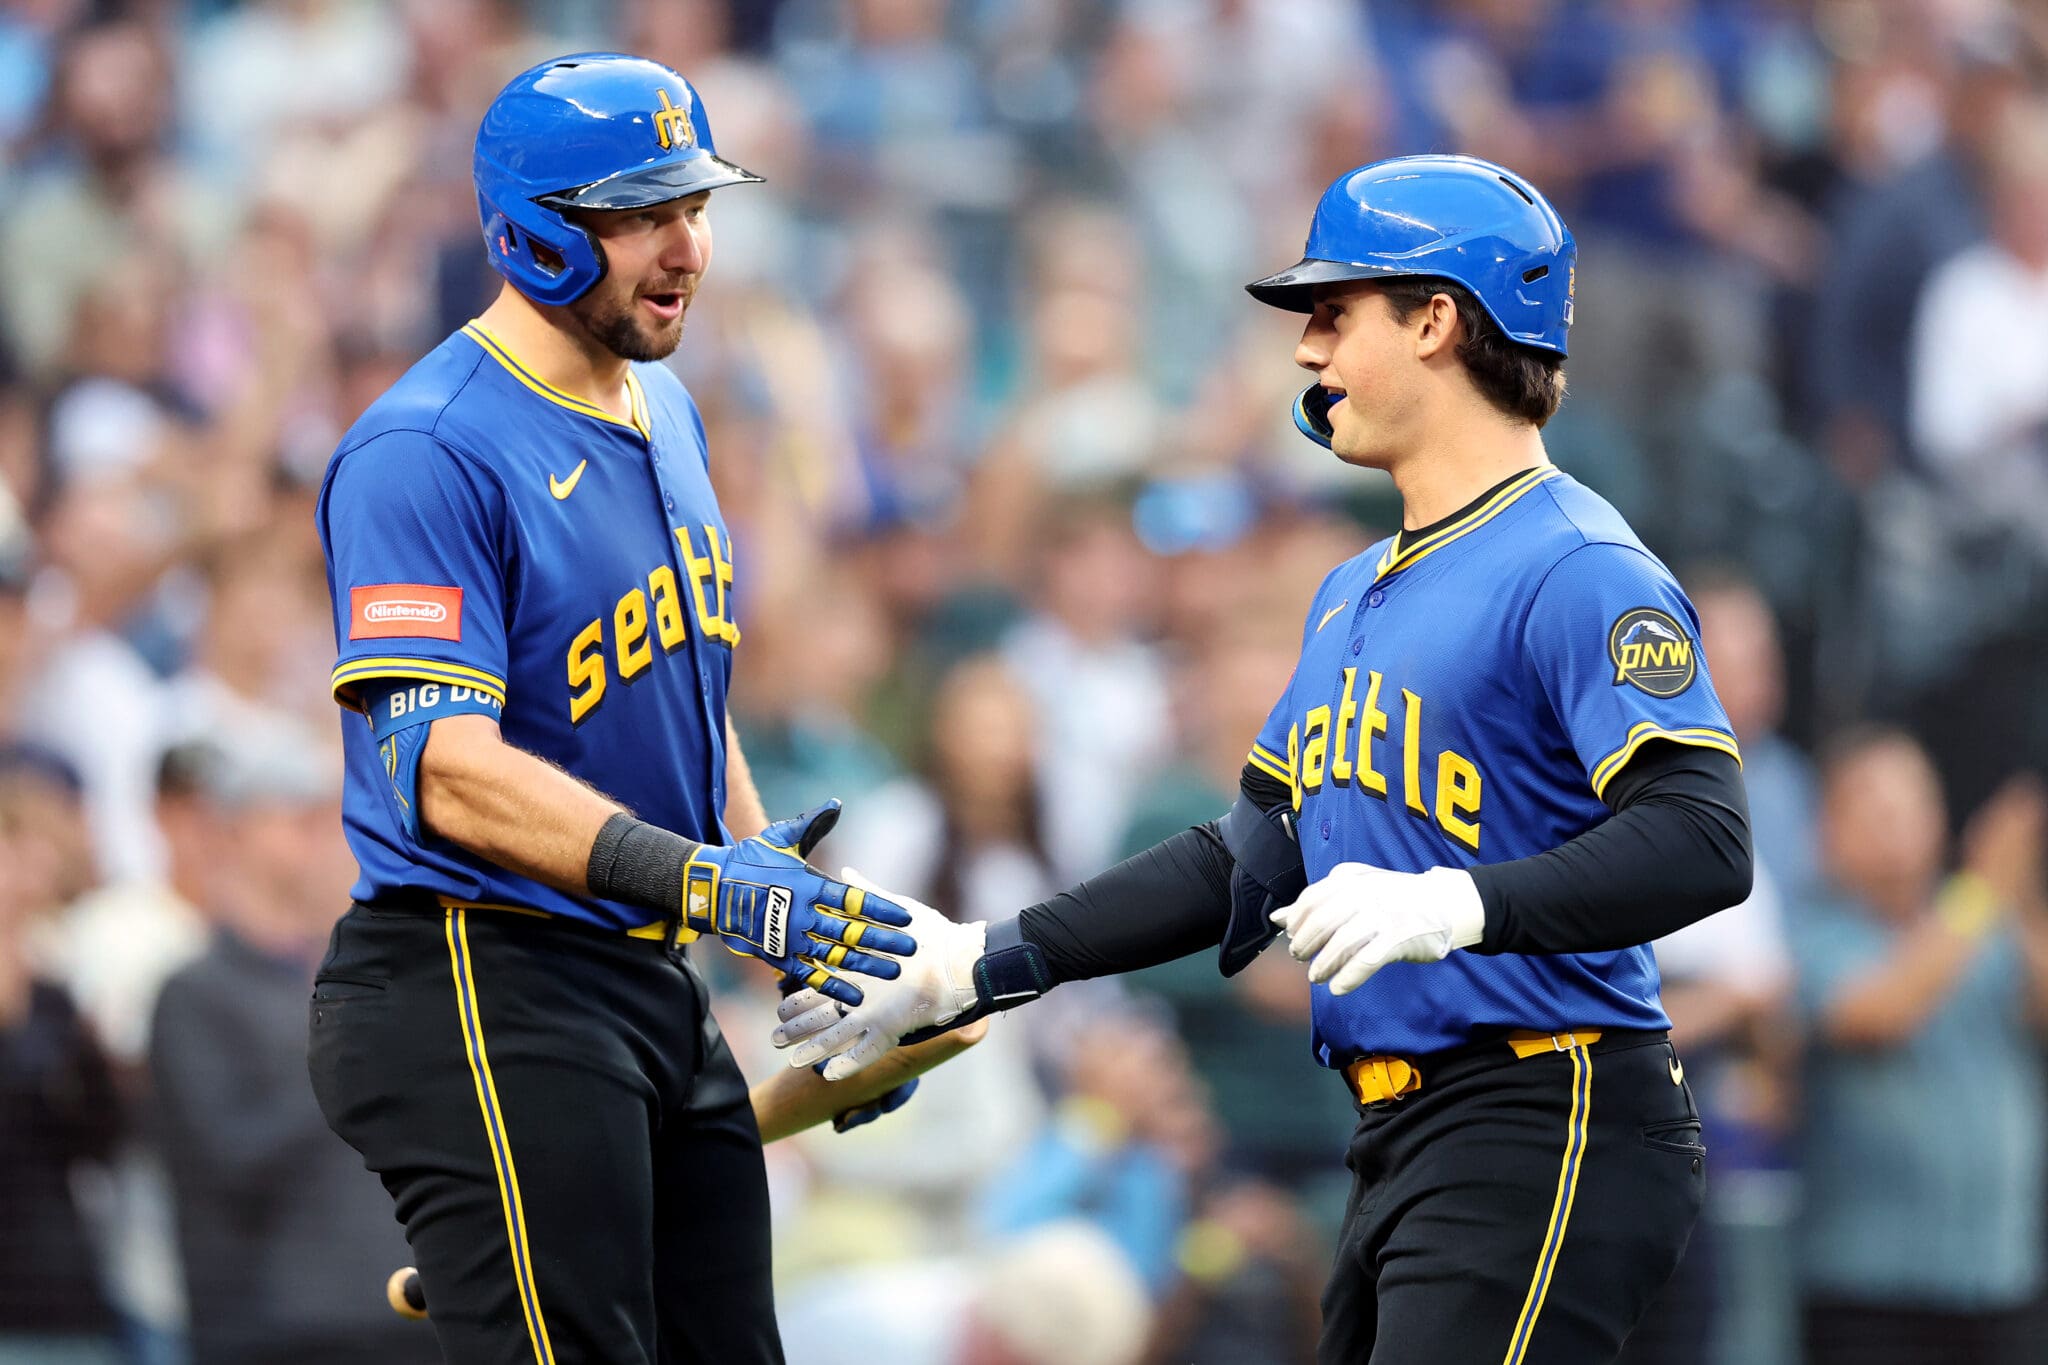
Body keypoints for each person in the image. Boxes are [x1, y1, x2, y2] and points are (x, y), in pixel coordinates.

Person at [777, 155, 1754, 1365]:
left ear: (1436, 321)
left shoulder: (1575, 565)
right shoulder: (1350, 590)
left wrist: (1459, 901)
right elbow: (1249, 855)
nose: (1306, 351)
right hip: (1402, 1131)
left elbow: (1705, 838)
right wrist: (985, 959)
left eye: (1334, 313)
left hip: (1548, 1107)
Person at [306, 54, 918, 1365]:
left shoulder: (670, 406)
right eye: (645, 213)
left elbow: (690, 698)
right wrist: (707, 885)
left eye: (697, 206)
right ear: (532, 226)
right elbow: (444, 769)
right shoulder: (427, 447)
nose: (689, 246)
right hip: (481, 975)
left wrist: (802, 940)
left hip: (648, 980)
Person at [151, 738, 436, 1365]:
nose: (325, 839)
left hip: (405, 1313)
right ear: (230, 836)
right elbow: (233, 1155)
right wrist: (354, 1059)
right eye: (297, 820)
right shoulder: (194, 993)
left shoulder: (362, 982)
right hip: (275, 1329)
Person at [1785, 729, 2048, 1365]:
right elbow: (1877, 1013)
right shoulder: (1811, 929)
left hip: (2000, 1276)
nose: (1894, 827)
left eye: (1909, 806)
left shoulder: (1983, 919)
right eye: (1873, 810)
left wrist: (2024, 890)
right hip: (1869, 1293)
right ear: (1828, 831)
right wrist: (1982, 890)